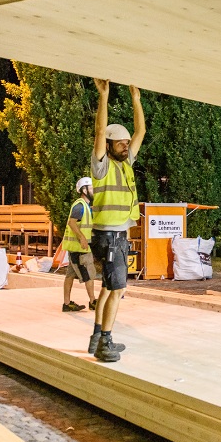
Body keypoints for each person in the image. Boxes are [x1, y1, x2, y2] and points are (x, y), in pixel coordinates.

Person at [87, 79, 144, 362]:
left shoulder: (125, 163)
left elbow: (141, 130)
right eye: (120, 143)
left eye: (126, 142)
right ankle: (105, 343)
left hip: (115, 237)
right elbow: (99, 130)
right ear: (108, 145)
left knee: (109, 288)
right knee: (117, 289)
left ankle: (97, 336)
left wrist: (136, 99)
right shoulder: (102, 165)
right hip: (109, 237)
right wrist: (104, 97)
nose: (126, 145)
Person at [60, 176, 97, 312]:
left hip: (76, 248)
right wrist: (81, 238)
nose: (94, 190)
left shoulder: (86, 206)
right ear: (84, 190)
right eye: (91, 188)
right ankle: (93, 301)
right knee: (88, 273)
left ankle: (67, 303)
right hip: (80, 248)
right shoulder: (80, 206)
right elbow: (72, 222)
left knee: (70, 275)